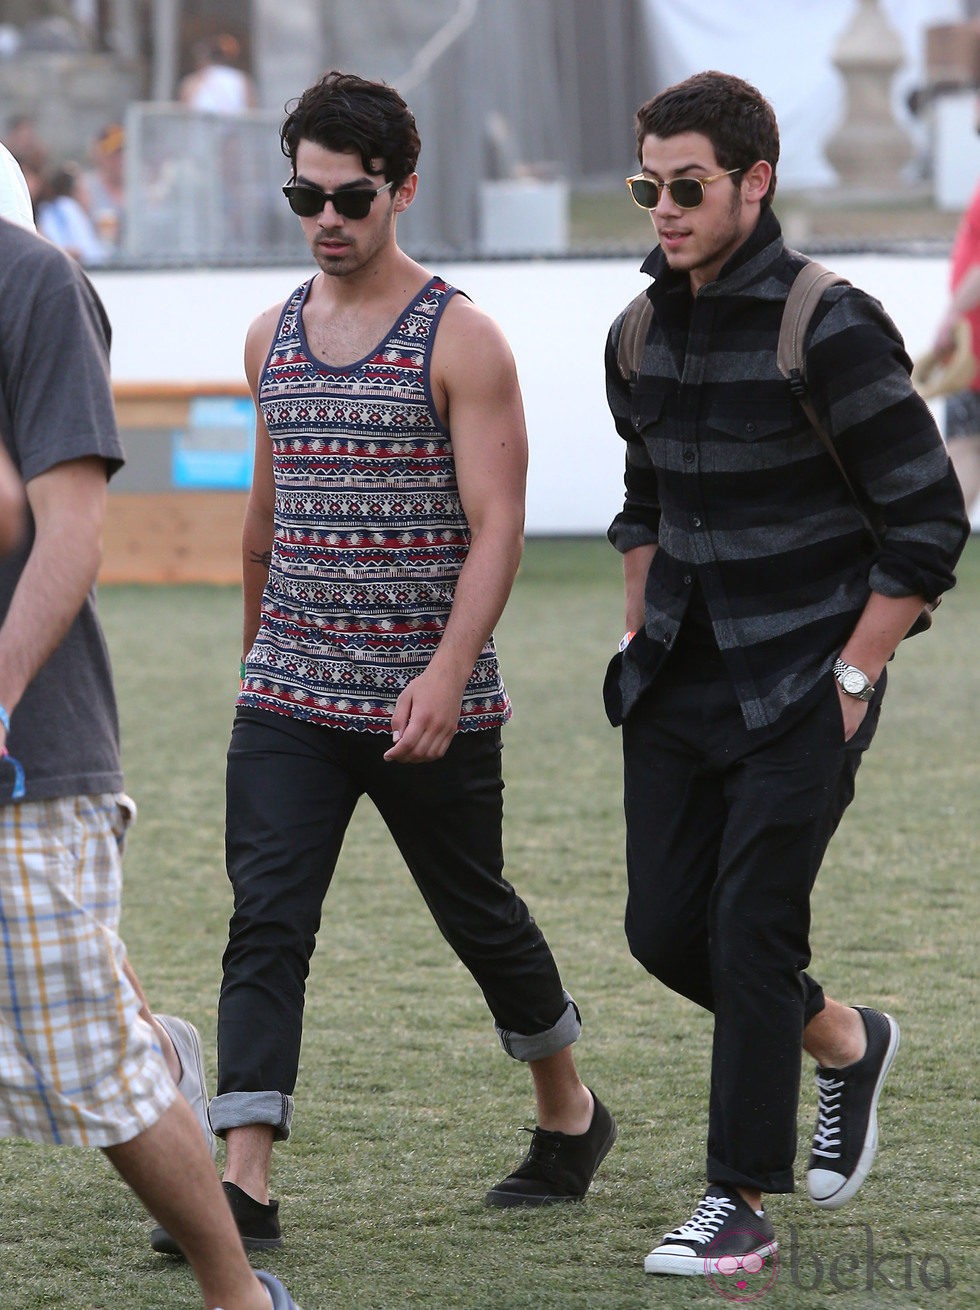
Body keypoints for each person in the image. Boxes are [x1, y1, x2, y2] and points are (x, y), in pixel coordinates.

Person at [151, 69, 616, 1254]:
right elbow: (265, 520)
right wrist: (258, 667)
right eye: (304, 195)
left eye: (350, 196)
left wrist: (450, 670)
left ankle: (568, 1112)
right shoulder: (269, 336)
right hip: (288, 695)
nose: (326, 219)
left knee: (479, 914)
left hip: (427, 698)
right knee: (267, 919)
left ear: (401, 189)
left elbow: (499, 523)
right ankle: (242, 1176)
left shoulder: (462, 336)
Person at [603, 71, 969, 1279]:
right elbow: (641, 500)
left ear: (753, 181)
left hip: (805, 680)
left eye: (687, 184)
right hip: (675, 679)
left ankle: (735, 1199)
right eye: (647, 185)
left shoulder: (827, 320)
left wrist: (854, 677)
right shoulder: (637, 331)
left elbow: (925, 519)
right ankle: (845, 1040)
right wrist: (630, 635)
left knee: (750, 922)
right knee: (665, 931)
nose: (663, 205)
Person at [0, 214, 300, 1310]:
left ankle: (237, 1290)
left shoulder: (31, 283)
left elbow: (60, 527)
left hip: (26, 758)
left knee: (87, 1059)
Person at [928, 110, 980, 522]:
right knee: (966, 445)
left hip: (974, 346)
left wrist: (950, 315)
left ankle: (938, 544)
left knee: (965, 448)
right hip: (972, 344)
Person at [36, 160, 107, 266]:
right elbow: (88, 254)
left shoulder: (51, 210)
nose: (89, 195)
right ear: (75, 192)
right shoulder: (66, 208)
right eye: (84, 190)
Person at [179, 33, 257, 115]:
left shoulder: (193, 81)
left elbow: (184, 112)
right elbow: (252, 110)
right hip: (236, 127)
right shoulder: (241, 79)